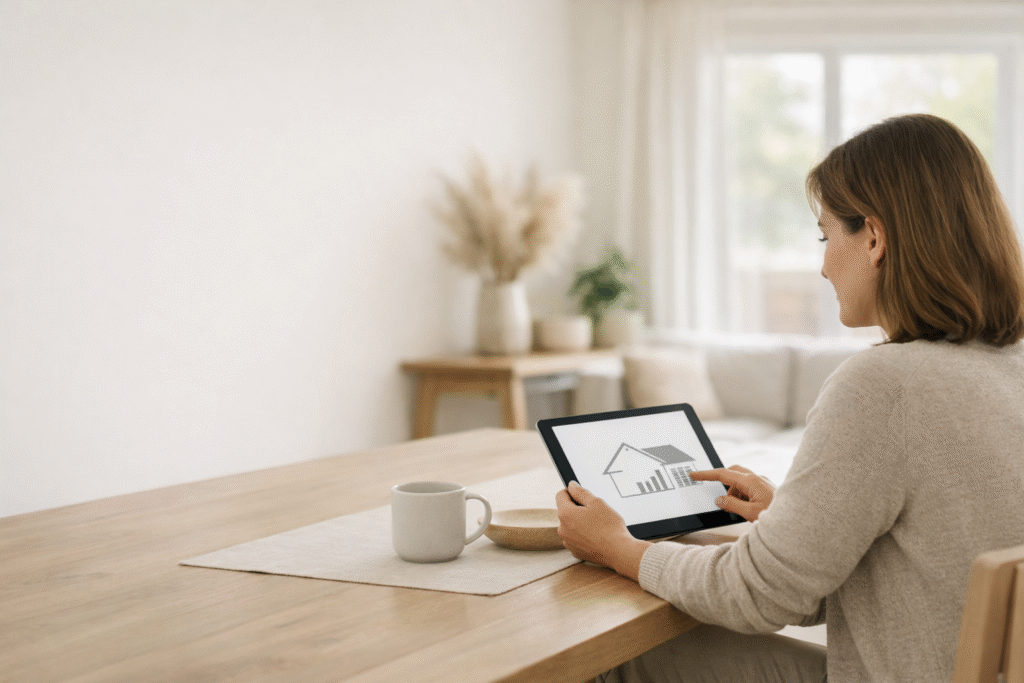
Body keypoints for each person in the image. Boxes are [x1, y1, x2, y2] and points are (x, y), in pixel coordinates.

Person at [555, 113, 1024, 683]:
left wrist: (614, 546)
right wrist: (793, 521)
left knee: (617, 660)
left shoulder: (885, 386)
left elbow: (755, 597)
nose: (824, 266)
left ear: (873, 239)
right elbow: (919, 562)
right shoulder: (1010, 367)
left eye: (828, 237)